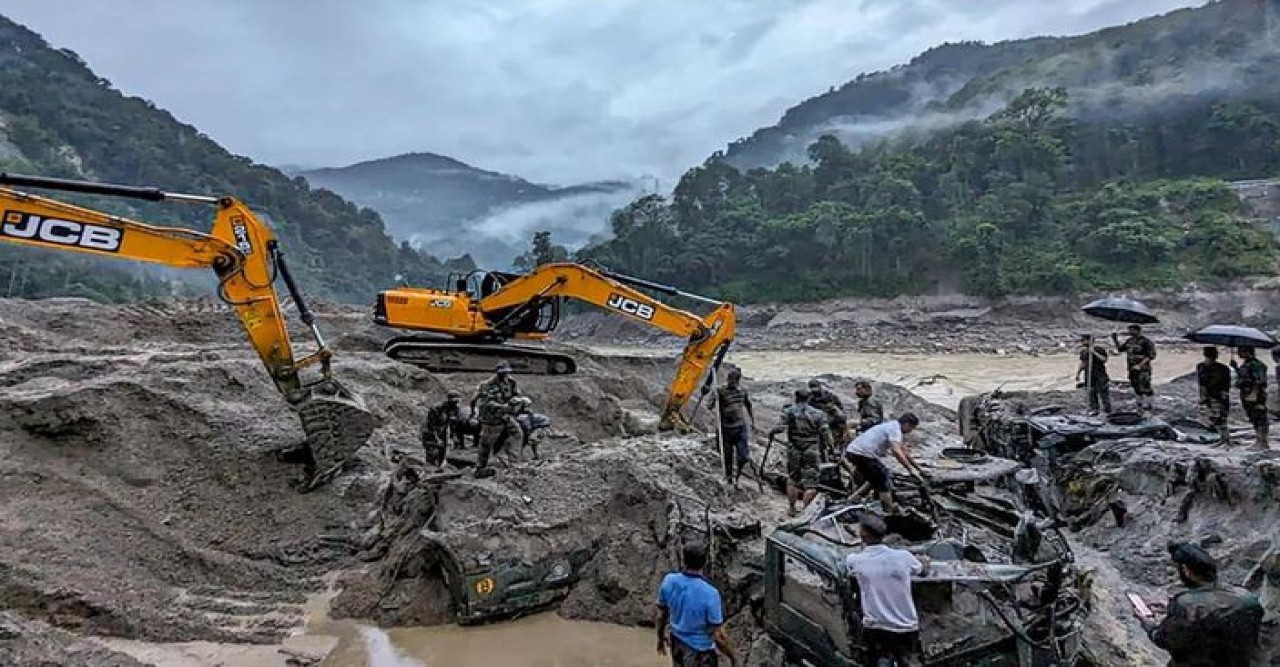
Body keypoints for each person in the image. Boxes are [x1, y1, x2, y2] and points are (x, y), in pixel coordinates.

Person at [1137, 542, 1263, 667]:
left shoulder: (1186, 605)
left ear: (1187, 571)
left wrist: (1148, 623)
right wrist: (1171, 610)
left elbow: (1165, 639)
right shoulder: (1246, 597)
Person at [845, 512, 927, 666]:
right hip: (907, 626)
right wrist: (923, 560)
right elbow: (923, 570)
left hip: (876, 628)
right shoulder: (904, 557)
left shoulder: (856, 561)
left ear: (863, 534)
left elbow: (845, 570)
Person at [655, 542, 740, 667]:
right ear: (705, 563)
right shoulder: (710, 594)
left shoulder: (669, 581)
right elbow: (718, 636)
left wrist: (660, 638)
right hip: (700, 653)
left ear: (684, 560)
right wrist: (733, 658)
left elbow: (660, 615)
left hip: (677, 644)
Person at [844, 414, 928, 515]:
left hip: (853, 452)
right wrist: (911, 470)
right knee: (883, 480)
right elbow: (896, 451)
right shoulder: (895, 429)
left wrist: (919, 469)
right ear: (907, 424)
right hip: (862, 454)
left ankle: (853, 499)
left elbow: (904, 452)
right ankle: (889, 512)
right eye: (911, 428)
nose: (910, 431)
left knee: (876, 476)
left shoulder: (892, 426)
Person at [769, 388, 831, 516]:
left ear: (796, 398)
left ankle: (791, 508)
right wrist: (830, 446)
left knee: (792, 479)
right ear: (809, 399)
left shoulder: (789, 412)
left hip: (794, 448)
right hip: (812, 450)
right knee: (811, 482)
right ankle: (805, 511)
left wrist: (771, 432)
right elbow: (825, 432)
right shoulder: (818, 414)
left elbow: (779, 427)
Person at [472, 361, 523, 477]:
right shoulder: (487, 385)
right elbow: (486, 402)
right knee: (487, 443)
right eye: (503, 373)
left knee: (517, 433)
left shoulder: (511, 382)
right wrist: (502, 406)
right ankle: (480, 467)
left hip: (506, 416)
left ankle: (513, 463)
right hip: (491, 418)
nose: (505, 375)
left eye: (507, 373)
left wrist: (517, 400)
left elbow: (517, 394)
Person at [715, 368, 755, 484]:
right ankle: (729, 479)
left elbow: (748, 405)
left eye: (733, 381)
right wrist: (715, 397)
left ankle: (737, 476)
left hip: (740, 427)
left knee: (743, 456)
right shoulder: (720, 391)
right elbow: (710, 405)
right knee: (727, 456)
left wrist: (753, 422)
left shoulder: (743, 391)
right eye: (729, 380)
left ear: (738, 381)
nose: (731, 383)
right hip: (725, 428)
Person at [1231, 346, 1269, 448]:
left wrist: (1254, 393)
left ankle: (1263, 442)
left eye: (1240, 351)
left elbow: (1260, 380)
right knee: (1253, 417)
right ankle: (1259, 440)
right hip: (1247, 394)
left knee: (1259, 417)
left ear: (1247, 352)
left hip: (1255, 395)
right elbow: (1245, 377)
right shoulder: (1247, 364)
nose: (1238, 353)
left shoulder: (1256, 364)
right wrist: (1236, 368)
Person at [1114, 324, 1157, 413]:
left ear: (1138, 330)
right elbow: (1120, 349)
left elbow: (1151, 355)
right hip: (1131, 368)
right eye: (1129, 330)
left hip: (1143, 369)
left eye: (1131, 330)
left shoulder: (1146, 342)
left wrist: (1140, 365)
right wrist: (1115, 339)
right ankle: (1139, 406)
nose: (1129, 332)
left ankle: (1149, 406)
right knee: (1136, 387)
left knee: (1146, 387)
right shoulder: (1129, 341)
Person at [420, 389, 467, 466]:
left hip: (443, 430)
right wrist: (437, 438)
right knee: (433, 452)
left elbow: (454, 424)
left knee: (442, 452)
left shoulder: (455, 409)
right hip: (430, 431)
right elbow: (431, 425)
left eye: (457, 402)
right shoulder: (437, 408)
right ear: (449, 400)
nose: (455, 404)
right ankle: (429, 468)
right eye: (453, 402)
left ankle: (438, 467)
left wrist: (454, 436)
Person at [1195, 347, 1232, 446]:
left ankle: (1225, 439)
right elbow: (1226, 385)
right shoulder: (1223, 368)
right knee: (1218, 419)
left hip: (1214, 396)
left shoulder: (1201, 367)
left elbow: (1201, 384)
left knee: (1218, 419)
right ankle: (1224, 439)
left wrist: (1202, 396)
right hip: (1216, 396)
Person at [807, 379, 848, 455]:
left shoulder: (831, 397)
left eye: (816, 388)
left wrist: (833, 409)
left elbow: (842, 415)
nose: (815, 391)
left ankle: (835, 448)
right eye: (812, 389)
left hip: (833, 421)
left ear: (820, 387)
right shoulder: (809, 399)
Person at [1076, 333, 1111, 415]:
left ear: (1089, 340)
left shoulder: (1099, 349)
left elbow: (1104, 359)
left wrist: (1094, 352)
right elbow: (1083, 363)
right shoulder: (1083, 351)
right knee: (1091, 392)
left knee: (1103, 392)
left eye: (1083, 340)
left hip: (1100, 375)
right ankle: (1095, 409)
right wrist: (1078, 373)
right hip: (1089, 375)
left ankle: (1107, 410)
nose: (1082, 342)